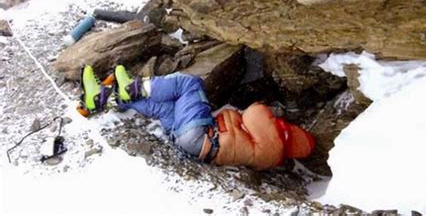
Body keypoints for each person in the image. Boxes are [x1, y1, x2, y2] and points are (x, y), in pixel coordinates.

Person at [77, 65, 315, 170]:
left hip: (199, 137)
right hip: (189, 142)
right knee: (164, 107)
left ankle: (134, 87)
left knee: (187, 83)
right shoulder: (269, 156)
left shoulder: (274, 143)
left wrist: (274, 117)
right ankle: (103, 99)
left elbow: (255, 112)